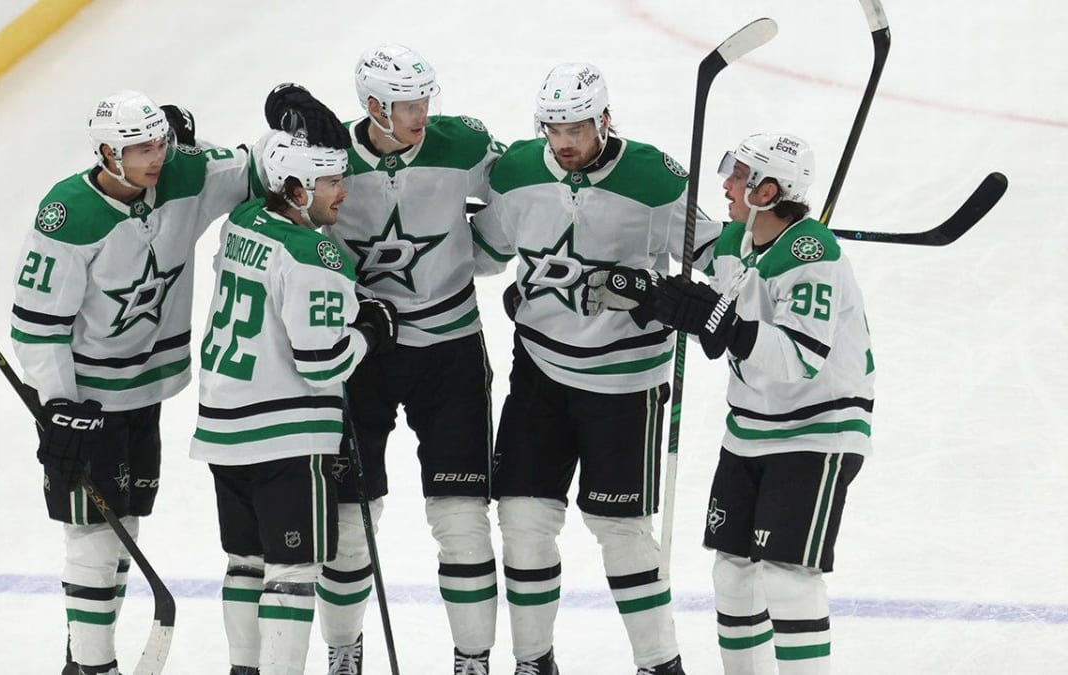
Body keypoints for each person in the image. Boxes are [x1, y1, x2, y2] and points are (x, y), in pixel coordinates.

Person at [10, 88, 341, 675]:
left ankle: (86, 653)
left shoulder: (184, 171)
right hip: (89, 398)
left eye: (160, 141)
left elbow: (255, 171)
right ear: (108, 152)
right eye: (140, 147)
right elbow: (37, 327)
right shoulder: (67, 214)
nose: (157, 156)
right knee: (93, 536)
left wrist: (297, 132)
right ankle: (90, 667)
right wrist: (58, 405)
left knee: (124, 522)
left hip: (146, 393)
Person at [470, 62, 722, 675]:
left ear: (605, 119)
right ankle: (533, 661)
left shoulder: (654, 179)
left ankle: (659, 664)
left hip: (625, 385)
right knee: (523, 521)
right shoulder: (518, 171)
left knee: (621, 530)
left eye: (577, 128)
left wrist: (669, 288)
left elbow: (714, 251)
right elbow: (485, 252)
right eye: (553, 129)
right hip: (539, 373)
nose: (565, 142)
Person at [592, 133, 873, 675]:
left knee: (788, 577)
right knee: (733, 573)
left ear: (767, 191)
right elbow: (722, 326)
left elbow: (799, 357)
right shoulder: (735, 246)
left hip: (818, 429)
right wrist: (663, 301)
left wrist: (714, 319)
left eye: (739, 175)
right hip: (748, 428)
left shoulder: (812, 255)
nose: (726, 183)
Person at [312, 43, 506, 675]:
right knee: (348, 518)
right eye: (405, 104)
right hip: (361, 350)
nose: (421, 113)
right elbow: (277, 208)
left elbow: (531, 189)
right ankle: (344, 650)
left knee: (462, 518)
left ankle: (472, 660)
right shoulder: (328, 154)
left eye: (425, 99)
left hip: (450, 350)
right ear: (373, 106)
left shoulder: (465, 144)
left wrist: (484, 251)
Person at [190, 126, 398, 675]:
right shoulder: (315, 254)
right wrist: (372, 328)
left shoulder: (243, 222)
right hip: (284, 435)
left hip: (222, 422)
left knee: (245, 564)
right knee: (293, 572)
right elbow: (323, 362)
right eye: (331, 181)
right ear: (298, 189)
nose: (343, 192)